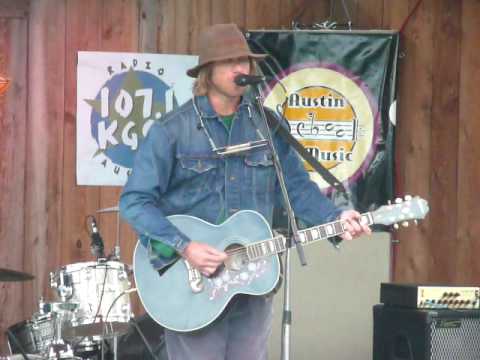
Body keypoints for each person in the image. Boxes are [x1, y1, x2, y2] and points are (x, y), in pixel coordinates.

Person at [119, 23, 371, 360]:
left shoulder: (266, 126)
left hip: (253, 279)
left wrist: (337, 218)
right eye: (230, 62)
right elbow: (135, 202)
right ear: (208, 72)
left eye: (245, 61)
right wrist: (185, 247)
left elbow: (295, 188)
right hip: (193, 285)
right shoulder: (172, 131)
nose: (241, 68)